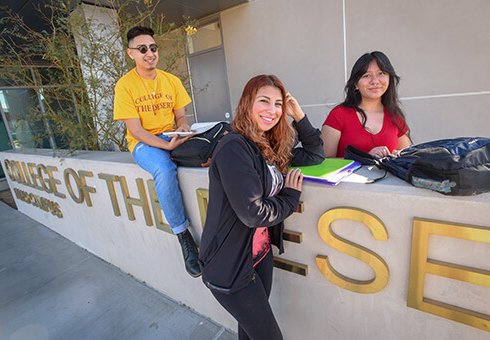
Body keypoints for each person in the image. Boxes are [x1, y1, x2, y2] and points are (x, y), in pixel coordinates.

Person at [199, 75, 324, 340]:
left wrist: (298, 115)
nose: (272, 110)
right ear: (247, 103)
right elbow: (252, 213)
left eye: (278, 104)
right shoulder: (234, 147)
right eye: (264, 101)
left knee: (249, 334)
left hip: (260, 256)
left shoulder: (269, 147)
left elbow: (315, 154)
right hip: (229, 265)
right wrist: (290, 197)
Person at [113, 26, 201, 278]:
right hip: (144, 144)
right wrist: (165, 145)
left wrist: (183, 128)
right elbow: (136, 130)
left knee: (212, 153)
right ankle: (183, 236)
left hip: (172, 135)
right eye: (142, 49)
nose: (149, 53)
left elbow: (181, 115)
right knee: (164, 168)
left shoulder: (171, 80)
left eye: (153, 48)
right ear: (131, 54)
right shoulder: (125, 86)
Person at [321, 51, 410, 158]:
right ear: (355, 84)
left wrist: (395, 158)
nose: (375, 81)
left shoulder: (396, 116)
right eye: (366, 75)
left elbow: (406, 162)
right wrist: (364, 158)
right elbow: (324, 163)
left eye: (381, 73)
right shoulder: (338, 115)